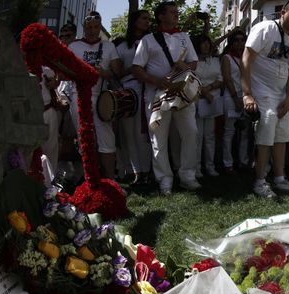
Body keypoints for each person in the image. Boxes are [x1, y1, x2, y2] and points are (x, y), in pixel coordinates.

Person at [132, 1, 200, 195]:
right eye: (172, 12)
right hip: (157, 95)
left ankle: (187, 176)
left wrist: (184, 67)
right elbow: (137, 68)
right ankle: (165, 181)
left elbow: (194, 63)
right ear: (161, 16)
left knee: (190, 132)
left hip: (181, 94)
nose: (176, 15)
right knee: (158, 139)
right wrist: (156, 80)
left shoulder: (184, 37)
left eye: (177, 12)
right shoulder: (148, 40)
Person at [241, 0, 289, 198]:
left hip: (280, 93)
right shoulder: (264, 28)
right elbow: (246, 59)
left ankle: (279, 178)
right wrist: (247, 93)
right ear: (283, 12)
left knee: (281, 136)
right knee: (267, 128)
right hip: (261, 90)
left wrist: (288, 98)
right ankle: (260, 181)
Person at [68, 12, 123, 181]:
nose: (92, 31)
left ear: (100, 27)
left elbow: (118, 73)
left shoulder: (108, 47)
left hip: (101, 97)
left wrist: (104, 73)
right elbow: (64, 71)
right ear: (83, 28)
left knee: (107, 137)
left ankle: (110, 179)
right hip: (78, 95)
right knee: (83, 137)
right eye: (89, 27)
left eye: (96, 27)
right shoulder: (74, 46)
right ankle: (89, 178)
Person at [115, 10, 153, 185]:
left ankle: (147, 171)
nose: (147, 21)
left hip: (149, 87)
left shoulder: (153, 40)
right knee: (129, 134)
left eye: (149, 19)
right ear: (134, 21)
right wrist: (134, 69)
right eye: (143, 18)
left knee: (144, 133)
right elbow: (118, 72)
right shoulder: (122, 45)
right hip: (129, 90)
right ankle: (135, 171)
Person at [193, 35, 223, 178]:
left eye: (207, 43)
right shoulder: (193, 62)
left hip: (213, 101)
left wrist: (210, 89)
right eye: (202, 43)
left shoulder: (216, 60)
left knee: (210, 136)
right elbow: (191, 80)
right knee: (197, 136)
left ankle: (210, 166)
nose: (205, 46)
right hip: (197, 101)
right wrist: (205, 92)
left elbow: (221, 79)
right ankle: (197, 167)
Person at [220, 31, 249, 173]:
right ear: (231, 42)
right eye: (236, 40)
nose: (239, 42)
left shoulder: (247, 57)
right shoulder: (227, 58)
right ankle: (228, 163)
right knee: (229, 131)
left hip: (246, 97)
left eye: (242, 39)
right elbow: (227, 79)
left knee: (244, 131)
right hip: (231, 97)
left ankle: (243, 161)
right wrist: (236, 98)